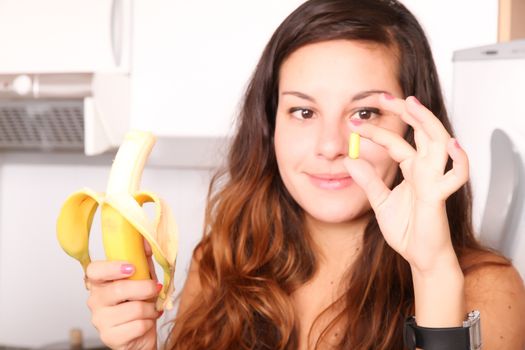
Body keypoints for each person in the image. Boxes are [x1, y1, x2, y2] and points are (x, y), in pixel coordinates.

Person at [84, 0, 525, 349]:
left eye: (365, 112)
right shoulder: (221, 262)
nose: (331, 146)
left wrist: (431, 272)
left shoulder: (487, 289)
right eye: (304, 111)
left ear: (412, 129)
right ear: (270, 125)